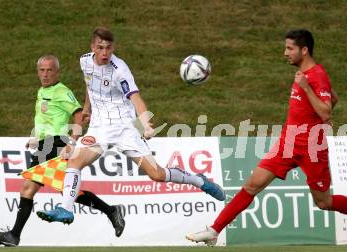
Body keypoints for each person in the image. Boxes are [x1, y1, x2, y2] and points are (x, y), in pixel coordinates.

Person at [186, 29, 347, 246]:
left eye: (290, 48)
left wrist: (308, 92)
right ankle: (214, 231)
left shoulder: (315, 76)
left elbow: (327, 111)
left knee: (324, 202)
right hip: (288, 143)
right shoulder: (306, 75)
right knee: (252, 185)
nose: (285, 53)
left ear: (304, 50)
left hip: (312, 148)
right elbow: (332, 98)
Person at [36, 27, 225, 224]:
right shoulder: (84, 60)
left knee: (157, 174)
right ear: (92, 47)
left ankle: (198, 180)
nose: (105, 53)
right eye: (100, 48)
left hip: (124, 127)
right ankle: (65, 209)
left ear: (113, 48)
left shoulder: (120, 70)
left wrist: (145, 124)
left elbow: (135, 97)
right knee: (74, 162)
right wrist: (86, 108)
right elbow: (89, 83)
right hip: (99, 127)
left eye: (108, 48)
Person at [0, 55, 126, 247]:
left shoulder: (62, 92)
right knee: (39, 189)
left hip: (57, 145)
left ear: (57, 72)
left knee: (56, 190)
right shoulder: (42, 91)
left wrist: (71, 141)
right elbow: (49, 119)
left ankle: (111, 211)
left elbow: (79, 115)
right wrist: (38, 138)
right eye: (42, 70)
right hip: (46, 145)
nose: (45, 74)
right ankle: (14, 235)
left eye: (49, 70)